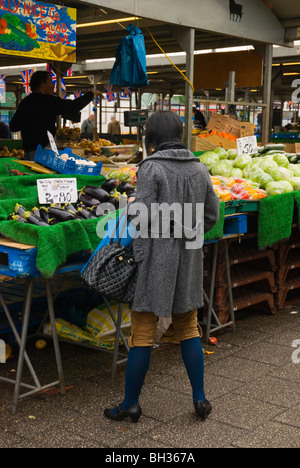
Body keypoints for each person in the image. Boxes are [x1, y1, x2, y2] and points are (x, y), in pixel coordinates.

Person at [104, 110, 219, 424]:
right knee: (188, 327)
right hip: (190, 255)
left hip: (156, 258)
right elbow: (211, 216)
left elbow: (140, 217)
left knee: (142, 332)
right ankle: (200, 397)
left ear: (150, 137)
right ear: (180, 134)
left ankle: (130, 405)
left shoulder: (151, 167)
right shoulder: (200, 168)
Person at [9, 71, 94, 161]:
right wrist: (91, 94)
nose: (53, 85)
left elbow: (14, 127)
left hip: (29, 152)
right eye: (50, 82)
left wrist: (29, 123)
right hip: (44, 153)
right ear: (42, 84)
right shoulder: (48, 101)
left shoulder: (25, 102)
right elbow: (73, 106)